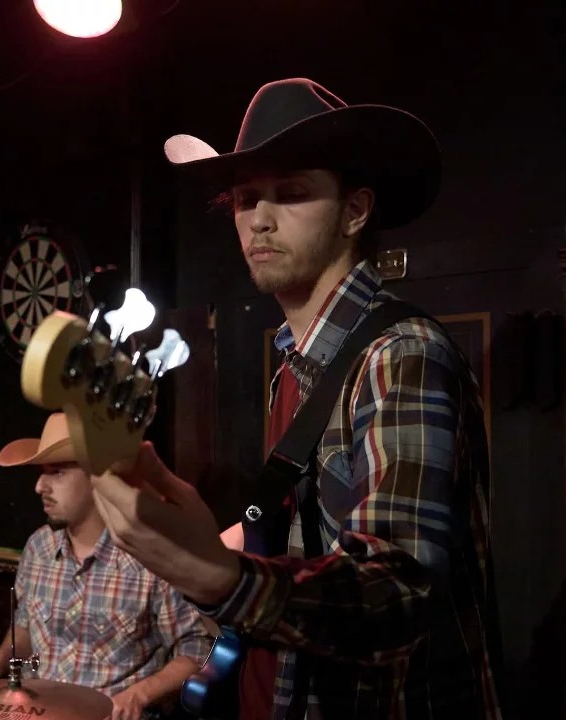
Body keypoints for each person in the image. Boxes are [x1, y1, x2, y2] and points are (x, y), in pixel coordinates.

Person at [90, 78, 504, 719]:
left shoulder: (400, 354)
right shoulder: (297, 362)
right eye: (246, 198)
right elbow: (316, 536)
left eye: (291, 193)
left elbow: (398, 593)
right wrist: (218, 538)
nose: (259, 217)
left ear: (355, 211)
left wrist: (222, 577)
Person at [0, 413, 214, 720]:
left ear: (98, 478)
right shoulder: (39, 547)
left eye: (57, 473)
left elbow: (196, 651)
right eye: (42, 473)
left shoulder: (150, 555)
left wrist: (139, 695)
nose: (40, 486)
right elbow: (26, 629)